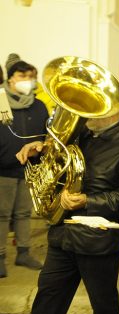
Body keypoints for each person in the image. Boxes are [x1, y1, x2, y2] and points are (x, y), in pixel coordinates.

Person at [0, 108, 119, 314]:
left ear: (113, 111)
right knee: (48, 297)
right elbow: (60, 161)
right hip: (63, 233)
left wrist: (87, 201)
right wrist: (40, 151)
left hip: (98, 238)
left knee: (102, 301)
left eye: (93, 108)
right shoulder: (81, 135)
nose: (84, 113)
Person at [0, 53, 48, 278]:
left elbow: (46, 135)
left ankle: (24, 252)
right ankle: (0, 256)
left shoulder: (38, 106)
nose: (27, 79)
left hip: (29, 169)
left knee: (23, 213)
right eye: (22, 76)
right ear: (10, 79)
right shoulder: (1, 102)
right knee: (1, 214)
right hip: (3, 168)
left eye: (30, 76)